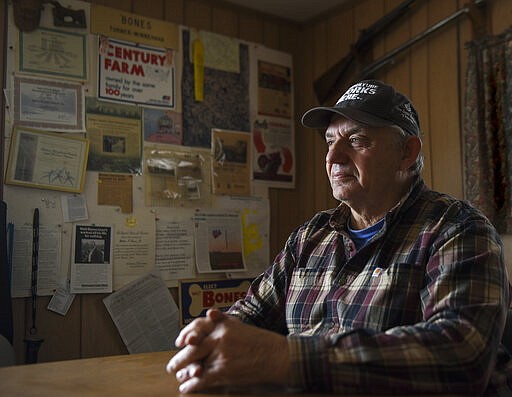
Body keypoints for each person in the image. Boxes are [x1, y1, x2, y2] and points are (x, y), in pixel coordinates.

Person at [167, 80, 512, 395]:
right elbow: (253, 312)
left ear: (407, 153)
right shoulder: (310, 237)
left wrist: (286, 358)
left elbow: (461, 354)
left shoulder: (457, 229)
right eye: (330, 142)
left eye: (357, 140)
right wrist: (212, 338)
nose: (333, 157)